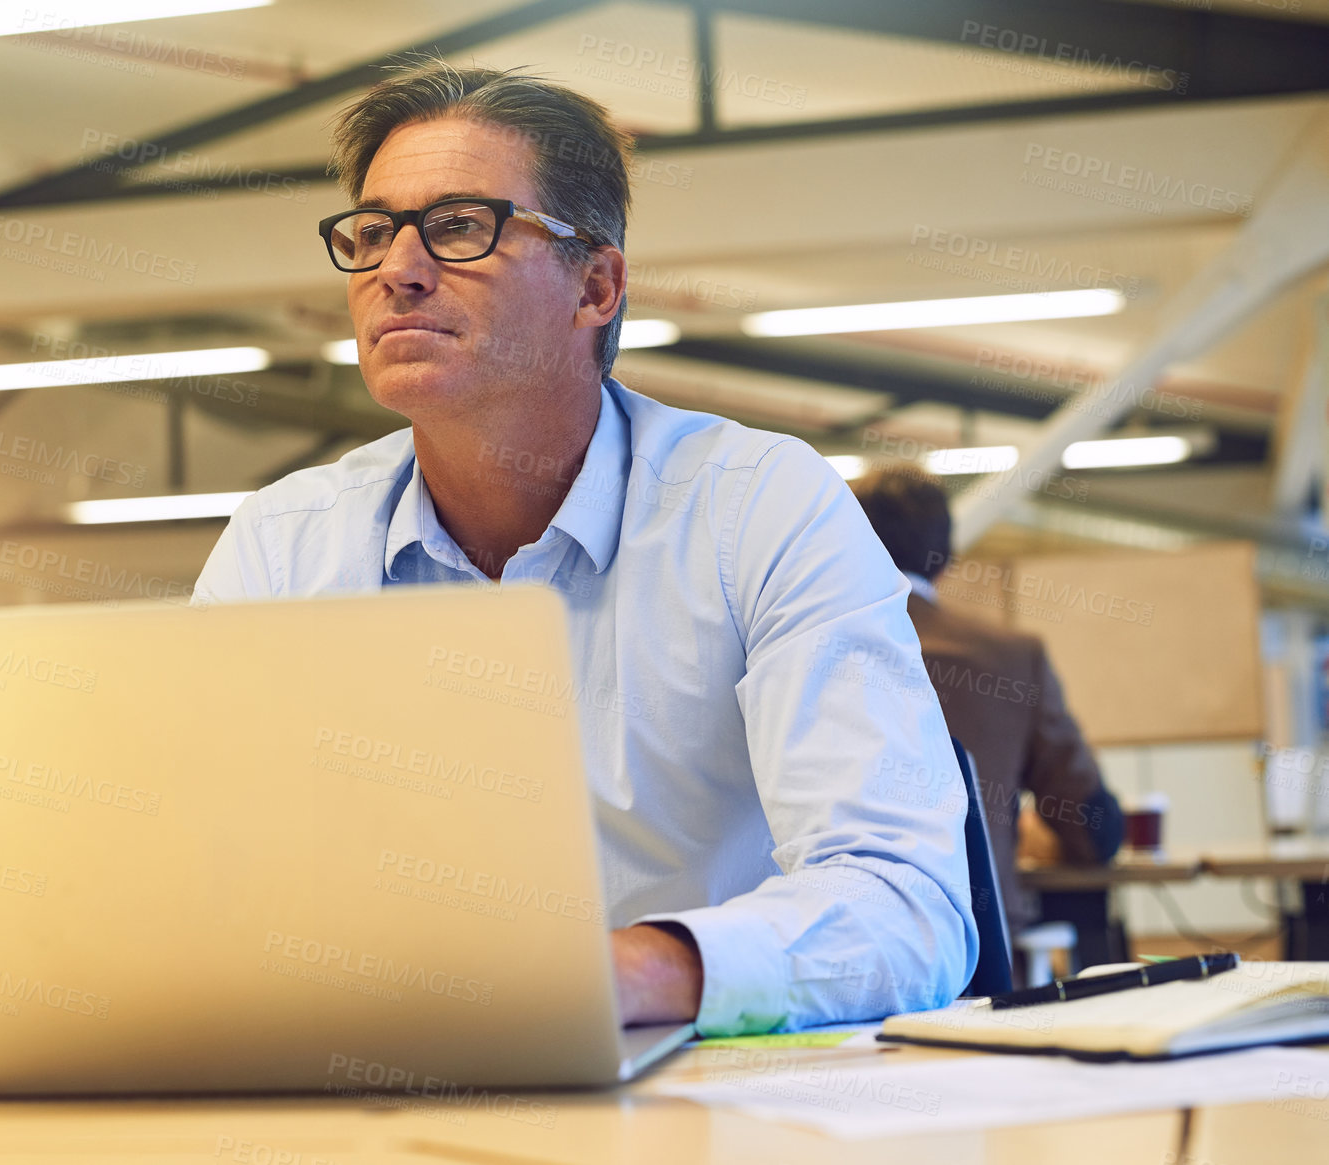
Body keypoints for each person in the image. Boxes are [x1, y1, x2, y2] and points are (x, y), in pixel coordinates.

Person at [193, 60, 975, 1035]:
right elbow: (205, 878)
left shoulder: (758, 507)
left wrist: (623, 977)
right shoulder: (281, 545)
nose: (397, 268)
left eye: (458, 226)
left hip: (708, 1093)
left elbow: (909, 911)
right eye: (371, 230)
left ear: (594, 285)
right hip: (380, 1083)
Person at [850, 466, 1124, 944]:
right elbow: (1091, 827)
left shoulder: (806, 650)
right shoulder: (1013, 658)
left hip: (844, 941)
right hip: (981, 947)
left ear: (848, 542)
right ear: (947, 556)